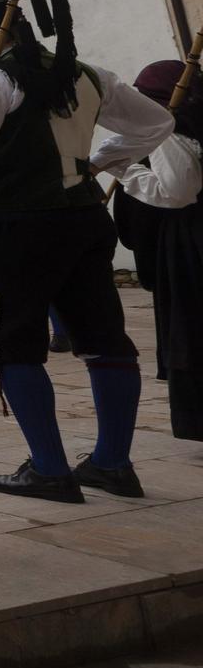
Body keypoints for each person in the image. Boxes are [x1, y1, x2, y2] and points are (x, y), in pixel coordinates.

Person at [0, 0, 172, 503]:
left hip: (23, 225)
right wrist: (102, 160)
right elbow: (158, 120)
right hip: (85, 218)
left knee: (13, 343)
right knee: (105, 339)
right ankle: (112, 462)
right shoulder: (86, 74)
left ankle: (49, 467)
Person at [113, 59, 203, 441]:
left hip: (191, 242)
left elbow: (177, 192)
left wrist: (125, 170)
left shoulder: (169, 133)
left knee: (193, 326)